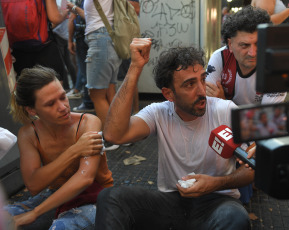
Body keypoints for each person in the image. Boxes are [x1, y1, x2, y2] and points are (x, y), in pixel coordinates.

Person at [95, 38, 254, 230]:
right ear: (168, 94)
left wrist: (215, 184)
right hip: (172, 201)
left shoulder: (226, 110)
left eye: (202, 79)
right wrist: (135, 67)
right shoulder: (158, 112)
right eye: (189, 85)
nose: (202, 91)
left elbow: (252, 168)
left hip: (217, 202)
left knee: (236, 217)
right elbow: (113, 135)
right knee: (111, 198)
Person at [5, 66, 113, 229]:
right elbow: (33, 185)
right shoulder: (28, 134)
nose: (63, 107)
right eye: (50, 104)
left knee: (61, 227)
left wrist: (34, 213)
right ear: (32, 110)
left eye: (63, 97)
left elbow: (85, 178)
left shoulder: (88, 122)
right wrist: (75, 150)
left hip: (97, 196)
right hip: (57, 194)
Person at [205, 6, 286, 204]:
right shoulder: (220, 57)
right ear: (230, 44)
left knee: (256, 157)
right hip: (229, 121)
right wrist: (222, 105)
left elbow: (269, 122)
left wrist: (224, 101)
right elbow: (207, 107)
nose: (253, 52)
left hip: (256, 127)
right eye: (244, 45)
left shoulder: (275, 66)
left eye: (259, 43)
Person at [83, 0, 122, 151]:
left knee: (96, 94)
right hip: (108, 38)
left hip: (100, 40)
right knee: (109, 91)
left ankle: (110, 138)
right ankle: (120, 135)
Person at [2, 0, 68, 79]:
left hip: (17, 50)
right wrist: (65, 14)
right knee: (54, 82)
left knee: (25, 86)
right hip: (44, 48)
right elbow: (55, 18)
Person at [67, 0, 95, 112]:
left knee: (86, 72)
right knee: (89, 72)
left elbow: (73, 18)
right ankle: (88, 99)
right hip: (91, 36)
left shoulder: (79, 3)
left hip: (84, 36)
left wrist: (70, 40)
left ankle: (89, 103)